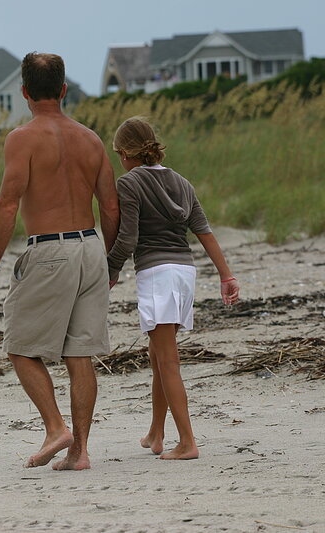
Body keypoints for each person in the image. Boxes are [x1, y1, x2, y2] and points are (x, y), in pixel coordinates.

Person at [0, 52, 120, 471]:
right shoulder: (90, 138)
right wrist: (109, 261)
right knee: (80, 353)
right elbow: (110, 205)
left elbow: (7, 205)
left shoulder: (23, 138)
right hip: (91, 247)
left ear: (24, 92)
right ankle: (80, 452)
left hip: (51, 248)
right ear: (65, 90)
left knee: (19, 345)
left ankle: (56, 428)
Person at [107, 117, 240, 460]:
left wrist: (109, 270)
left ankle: (187, 442)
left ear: (125, 153)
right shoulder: (181, 181)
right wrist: (226, 276)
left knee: (167, 360)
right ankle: (156, 432)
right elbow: (204, 232)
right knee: (157, 354)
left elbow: (129, 238)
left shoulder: (129, 182)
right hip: (184, 272)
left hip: (157, 274)